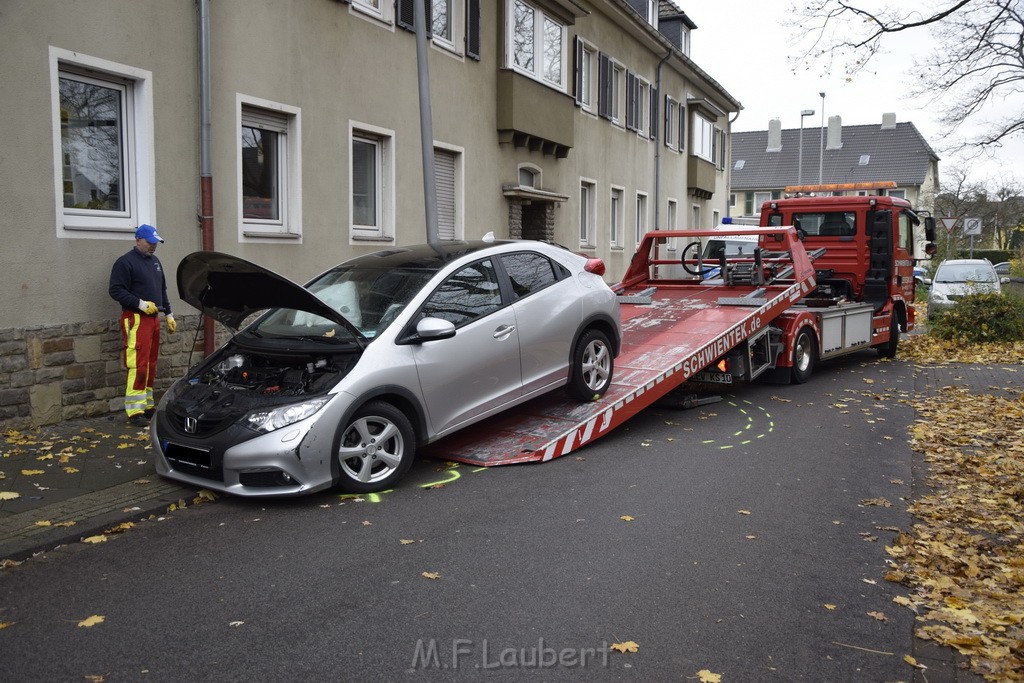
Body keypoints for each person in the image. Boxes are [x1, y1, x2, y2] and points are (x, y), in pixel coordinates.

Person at [108, 224, 176, 427]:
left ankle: (146, 405)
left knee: (151, 363)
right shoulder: (125, 262)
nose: (153, 246)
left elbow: (162, 289)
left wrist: (169, 313)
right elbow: (116, 290)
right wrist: (141, 304)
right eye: (150, 242)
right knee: (138, 363)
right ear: (138, 239)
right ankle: (134, 410)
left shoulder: (155, 262)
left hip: (153, 318)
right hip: (136, 318)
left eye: (156, 243)